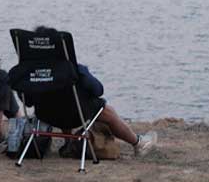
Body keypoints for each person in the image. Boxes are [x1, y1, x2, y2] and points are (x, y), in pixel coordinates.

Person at [33, 26, 157, 157]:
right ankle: (138, 143)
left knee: (61, 99)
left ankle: (68, 142)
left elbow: (27, 100)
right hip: (74, 115)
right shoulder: (75, 70)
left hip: (45, 114)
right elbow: (98, 89)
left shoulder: (31, 75)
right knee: (106, 111)